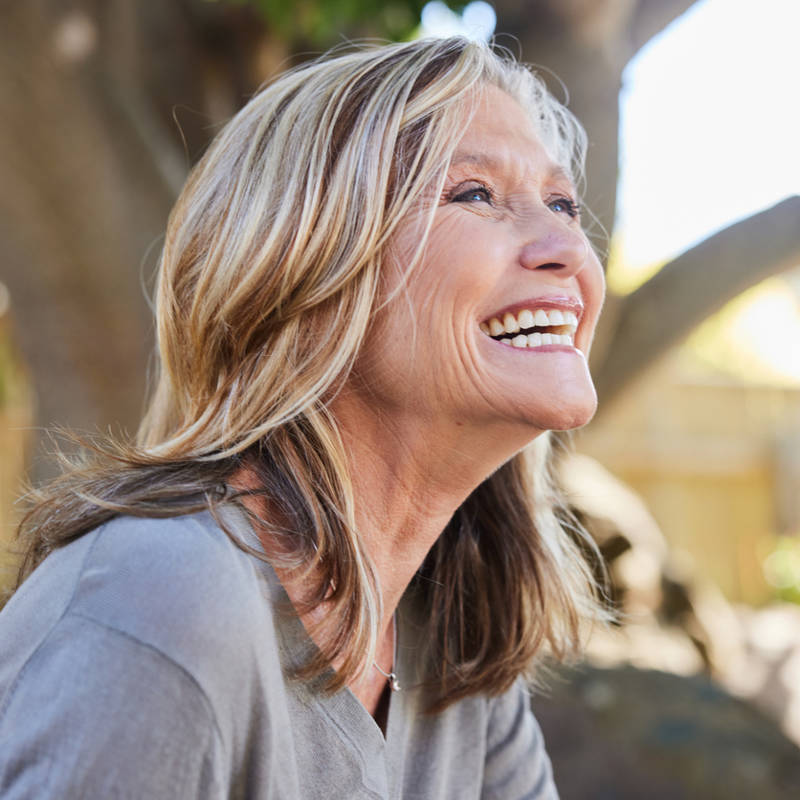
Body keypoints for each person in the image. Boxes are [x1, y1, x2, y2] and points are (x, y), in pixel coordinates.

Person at [0, 36, 606, 798]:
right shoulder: (163, 601)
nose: (565, 248)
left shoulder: (457, 654)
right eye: (474, 194)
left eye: (562, 203)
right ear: (308, 275)